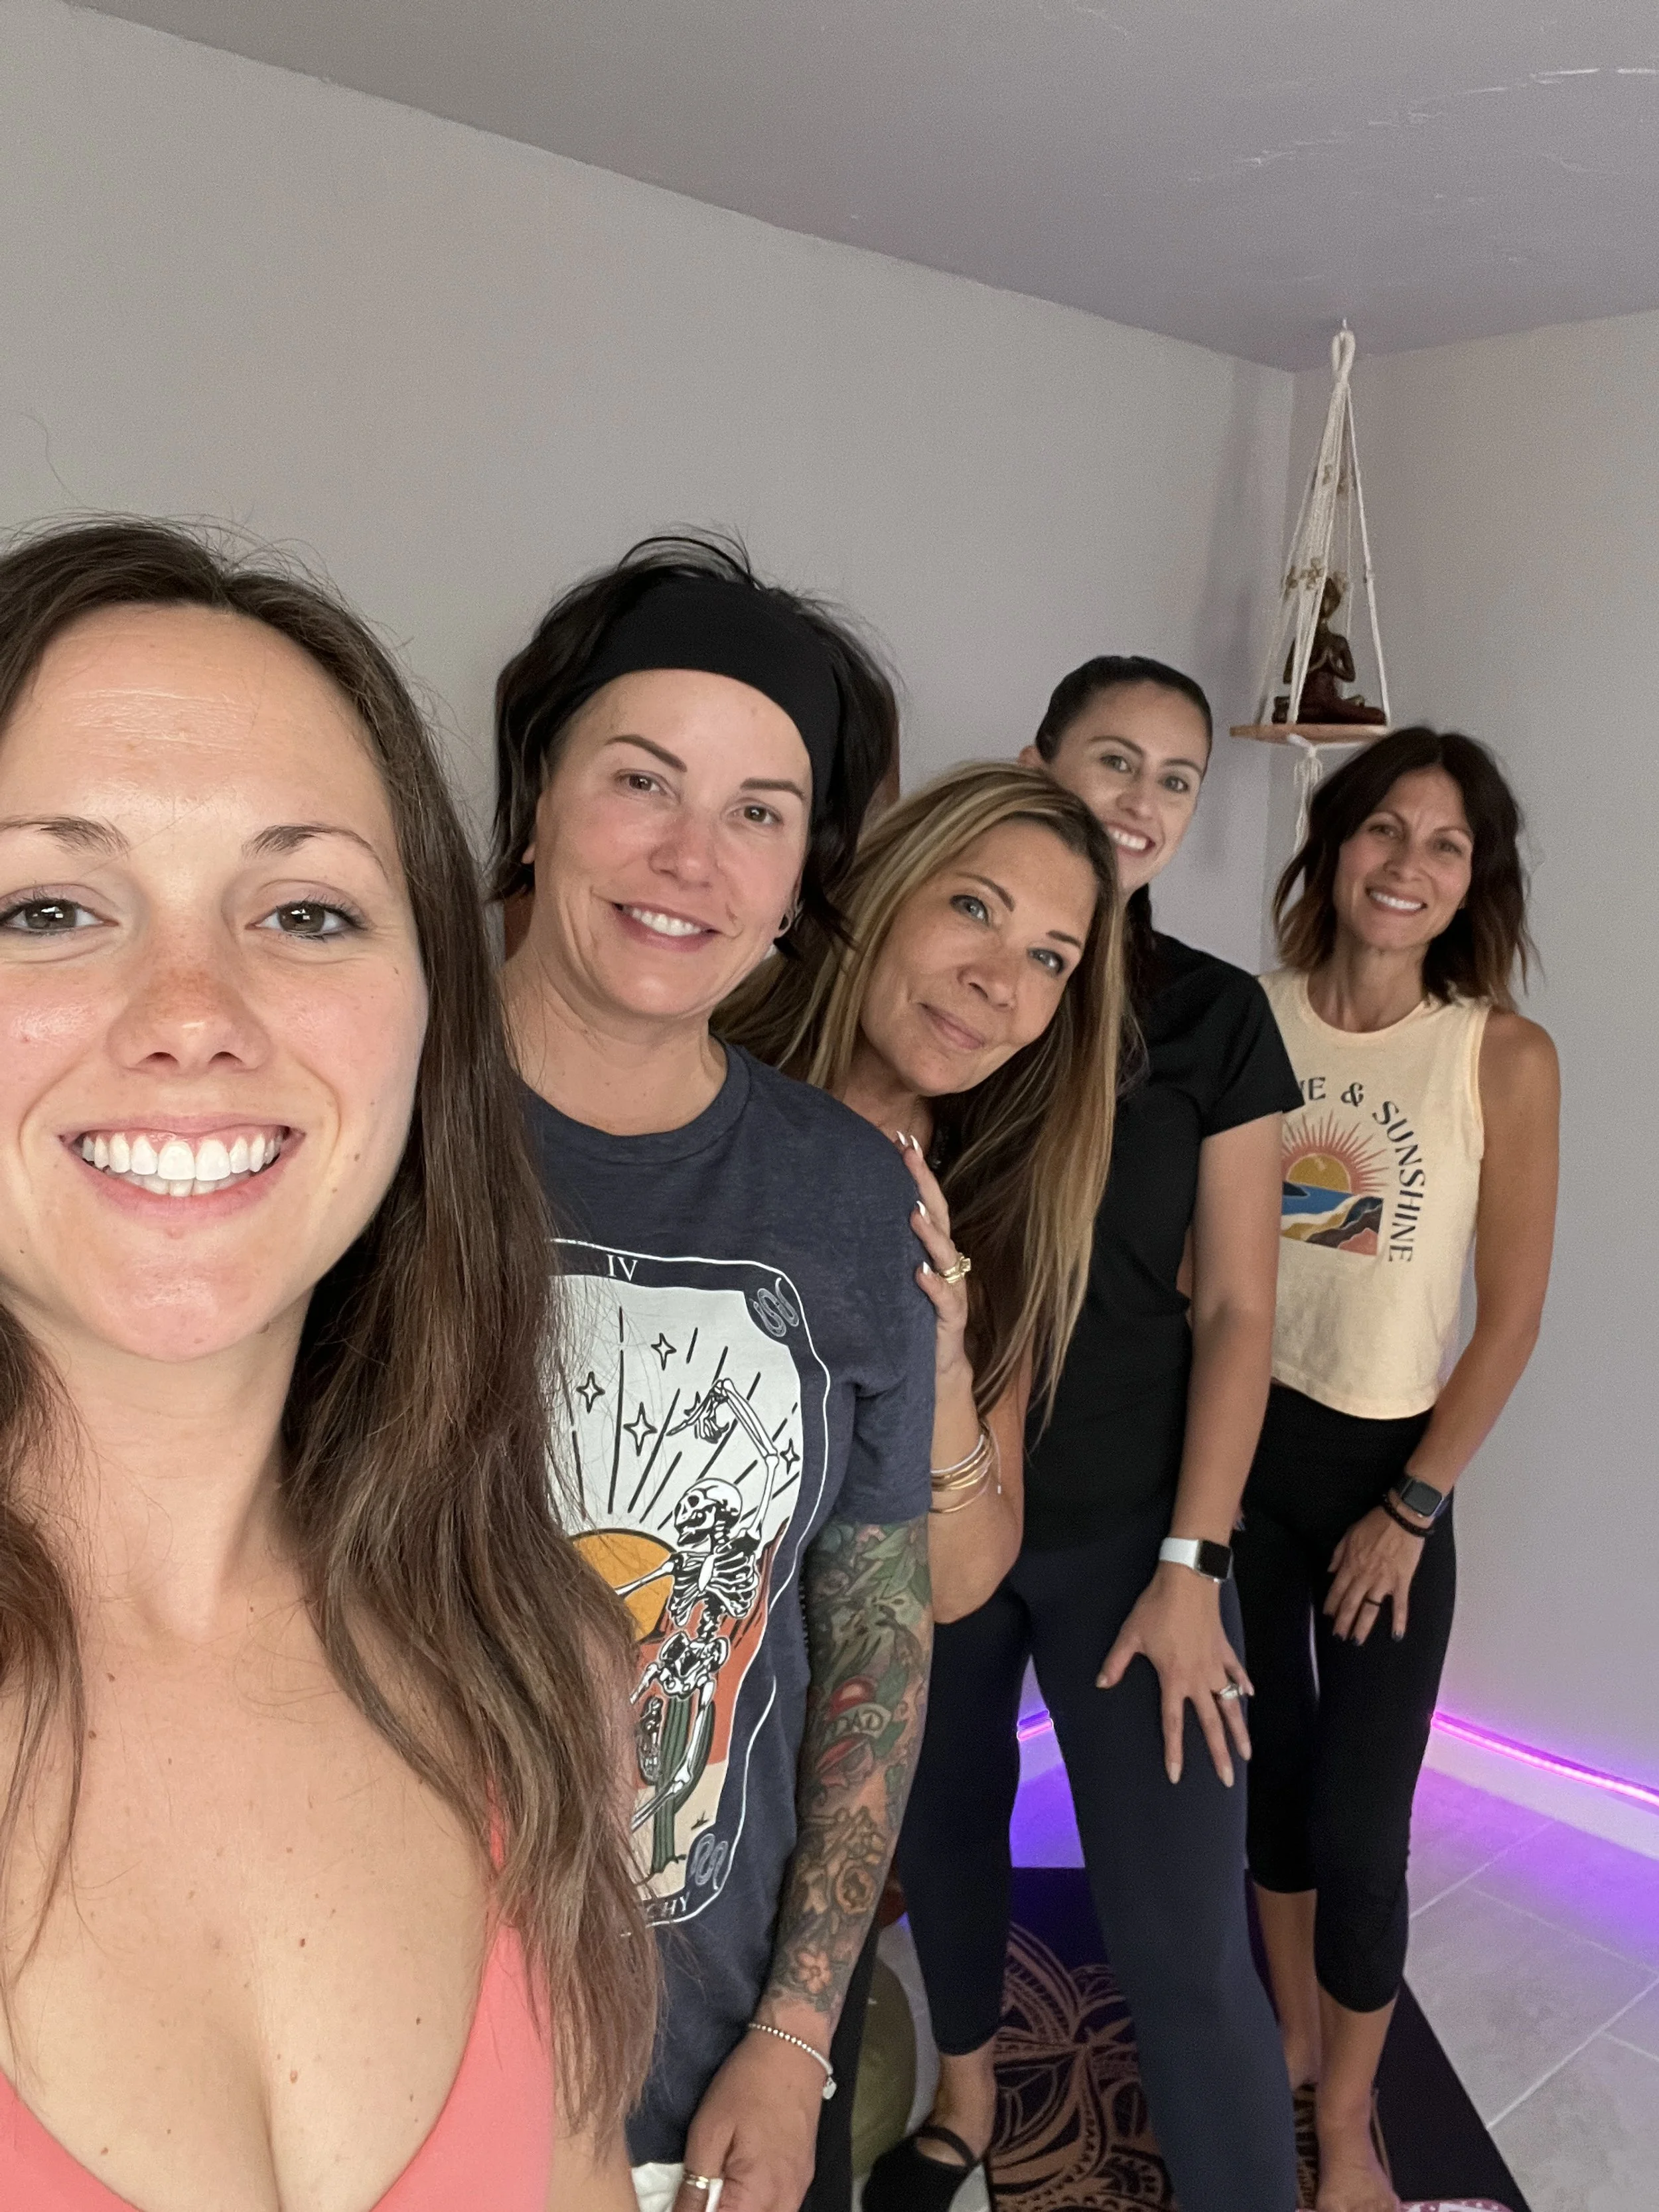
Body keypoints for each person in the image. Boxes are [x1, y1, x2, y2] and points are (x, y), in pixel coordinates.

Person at [0, 519, 654, 2212]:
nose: (194, 1007)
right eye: (50, 904)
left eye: (304, 908)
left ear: (430, 1015)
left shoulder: (542, 1669)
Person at [490, 536, 936, 2212]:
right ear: (536, 793)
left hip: (704, 2064)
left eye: (759, 808)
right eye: (640, 779)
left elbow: (872, 1634)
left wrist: (801, 2030)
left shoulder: (846, 1190)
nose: (692, 854)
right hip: (364, 2044)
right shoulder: (358, 1124)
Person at [866, 658, 1307, 2212]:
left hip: (1131, 1525)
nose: (1139, 796)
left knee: (1185, 1930)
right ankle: (969, 2103)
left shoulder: (1209, 1017)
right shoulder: (945, 977)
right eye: (1110, 758)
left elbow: (1239, 1313)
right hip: (921, 1506)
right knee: (944, 1831)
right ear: (1037, 761)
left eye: (1175, 777)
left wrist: (1194, 1561)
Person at [1239, 727, 1559, 2212]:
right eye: (1383, 830)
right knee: (1270, 1786)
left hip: (1386, 1476)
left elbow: (1509, 1315)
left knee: (1360, 1828)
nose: (1406, 865)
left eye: (1443, 845)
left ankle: (1349, 2123)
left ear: (1469, 881)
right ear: (1335, 846)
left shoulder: (1497, 1054)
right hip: (1241, 1453)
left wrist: (1410, 1506)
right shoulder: (1249, 1022)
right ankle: (1292, 2038)